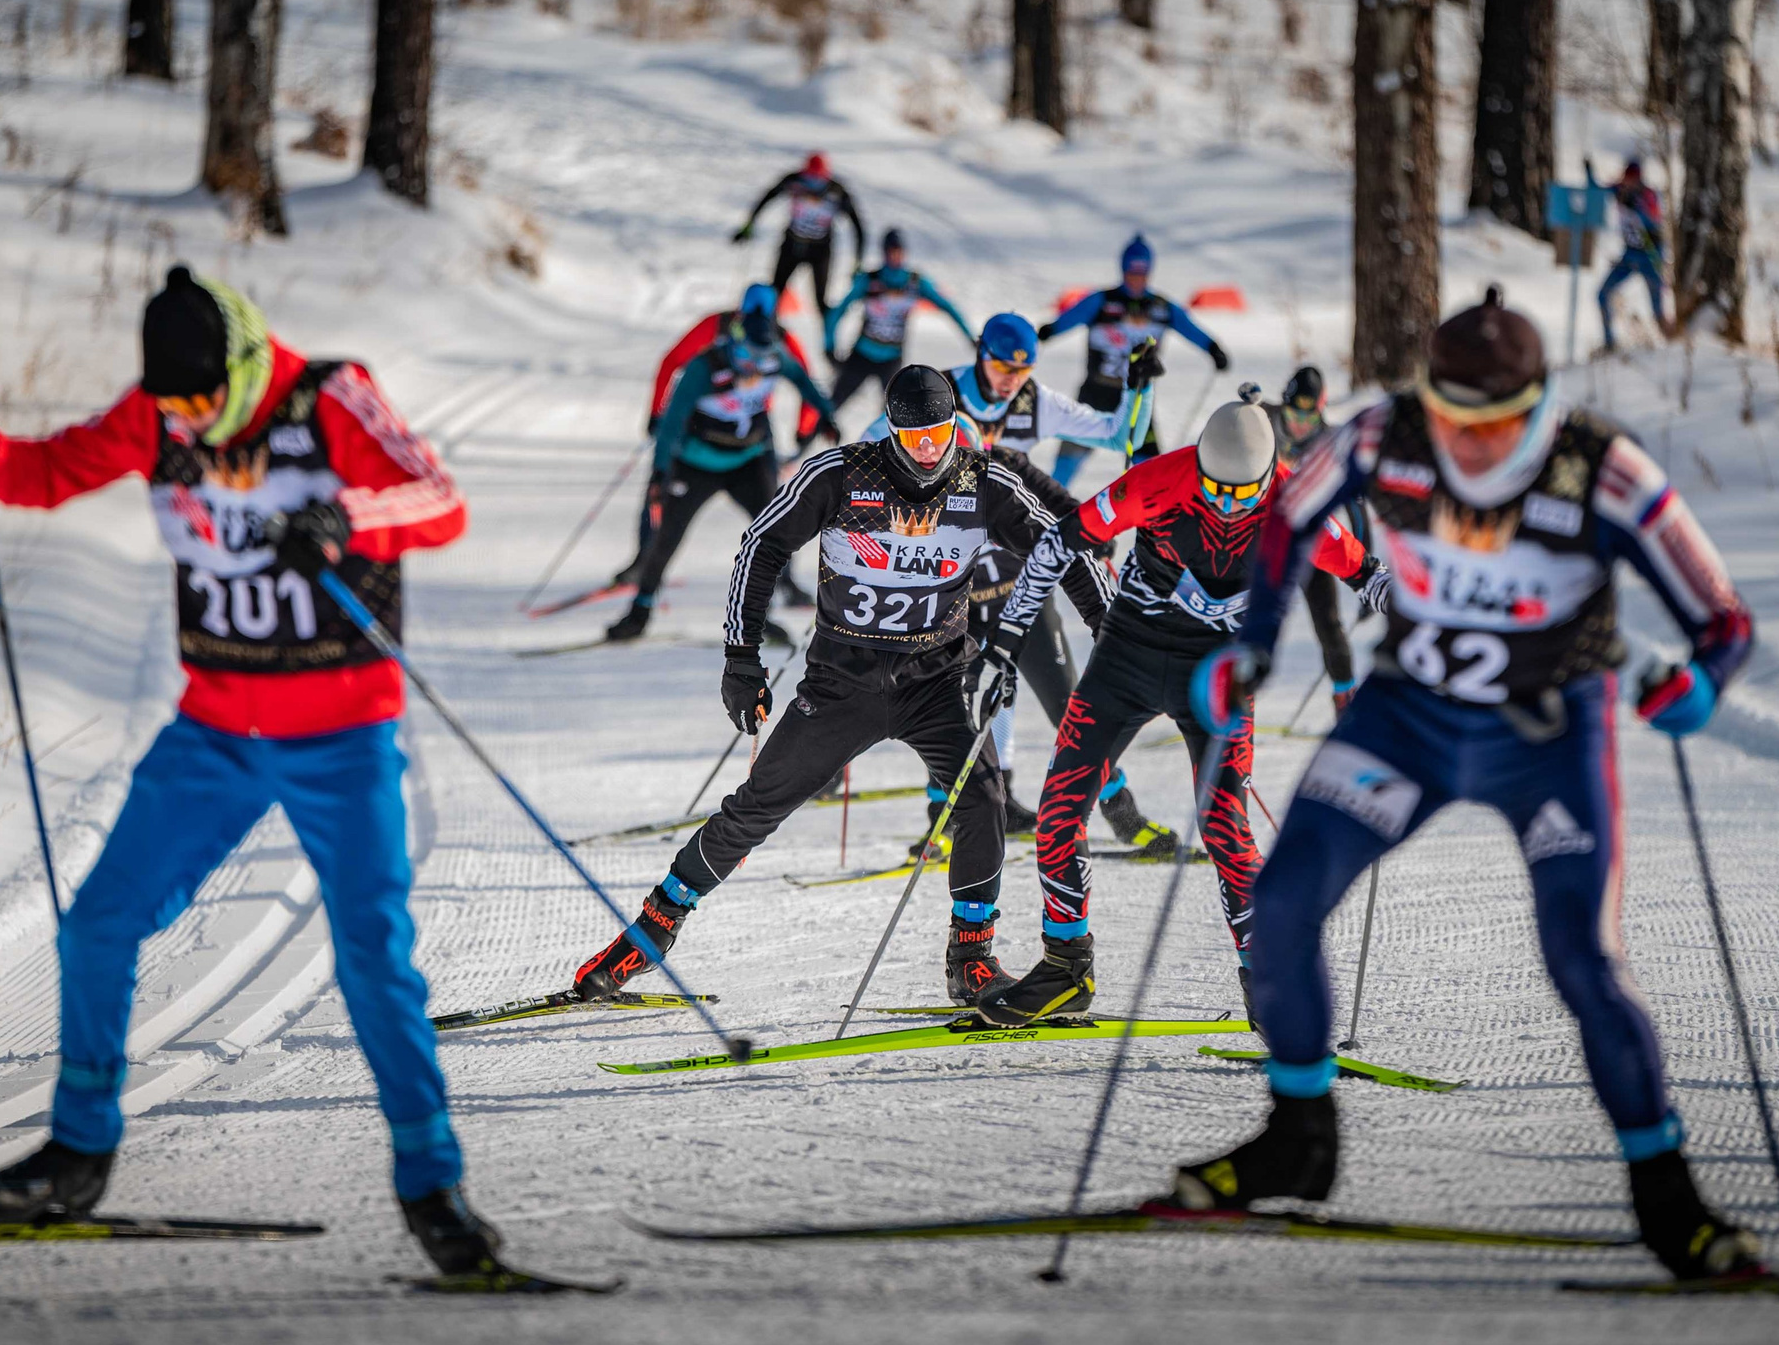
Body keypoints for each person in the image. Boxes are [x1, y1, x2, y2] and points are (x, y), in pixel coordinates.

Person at [1172, 285, 1764, 1285]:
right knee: (1280, 899)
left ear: (1537, 406)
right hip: (1409, 717)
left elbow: (1724, 617)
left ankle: (1669, 1196)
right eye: (1450, 418)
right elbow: (1286, 516)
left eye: (1495, 425)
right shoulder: (1379, 434)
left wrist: (1698, 685)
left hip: (1543, 734)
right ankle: (1298, 1135)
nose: (1469, 444)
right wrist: (1253, 643)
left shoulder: (1601, 468)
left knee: (1580, 954)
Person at [0, 266, 497, 1277]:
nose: (185, 418)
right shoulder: (160, 413)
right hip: (216, 729)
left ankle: (431, 1184)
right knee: (99, 918)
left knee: (372, 955)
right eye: (170, 402)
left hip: (340, 732)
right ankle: (79, 1148)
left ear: (241, 364)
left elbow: (438, 500)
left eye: (199, 397)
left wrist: (346, 519)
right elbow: (55, 469)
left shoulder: (330, 396)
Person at [573, 366, 1076, 1007]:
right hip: (843, 684)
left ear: (957, 425)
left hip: (937, 681)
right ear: (891, 429)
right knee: (756, 807)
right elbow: (760, 545)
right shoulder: (842, 474)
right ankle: (650, 932)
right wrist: (741, 660)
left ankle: (971, 958)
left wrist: (1112, 633)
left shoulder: (981, 483)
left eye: (940, 432)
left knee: (983, 799)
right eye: (913, 434)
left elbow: (1065, 544)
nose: (928, 447)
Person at [967, 403, 1374, 1027]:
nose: (1229, 506)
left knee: (1224, 826)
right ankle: (1066, 968)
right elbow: (1058, 543)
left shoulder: (1302, 504)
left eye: (1244, 495)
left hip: (1217, 672)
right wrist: (1004, 642)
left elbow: (1368, 575)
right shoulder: (1158, 480)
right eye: (1215, 490)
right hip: (1127, 654)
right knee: (1057, 811)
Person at [880, 313, 1162, 840]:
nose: (1012, 379)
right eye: (1003, 365)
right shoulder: (934, 398)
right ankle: (951, 820)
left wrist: (1136, 390)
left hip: (1018, 590)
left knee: (1069, 702)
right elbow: (876, 454)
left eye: (1024, 368)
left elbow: (1083, 470)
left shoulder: (1012, 449)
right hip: (954, 598)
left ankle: (1121, 814)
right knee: (955, 708)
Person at [607, 286, 839, 643]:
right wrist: (660, 470)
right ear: (735, 341)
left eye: (762, 361)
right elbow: (672, 423)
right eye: (747, 358)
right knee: (667, 536)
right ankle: (639, 611)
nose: (754, 370)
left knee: (776, 529)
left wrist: (825, 418)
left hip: (748, 461)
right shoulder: (706, 367)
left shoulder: (775, 355)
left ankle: (763, 614)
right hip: (697, 463)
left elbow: (805, 382)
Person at [1036, 236, 1230, 485]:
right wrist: (1050, 330)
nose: (1136, 278)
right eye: (1131, 272)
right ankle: (1047, 508)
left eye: (1142, 272)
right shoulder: (1102, 301)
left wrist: (1213, 349)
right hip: (1096, 392)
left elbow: (1189, 327)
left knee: (1151, 469)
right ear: (1123, 269)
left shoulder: (1161, 307)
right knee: (1069, 459)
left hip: (1138, 399)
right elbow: (1070, 317)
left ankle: (1158, 520)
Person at [1261, 365, 1376, 715]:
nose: (1299, 424)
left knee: (1328, 622)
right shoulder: (1264, 419)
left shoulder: (1330, 440)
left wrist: (1366, 571)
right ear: (1284, 406)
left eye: (1310, 418)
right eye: (1295, 414)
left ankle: (1345, 700)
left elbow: (1357, 509)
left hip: (1309, 544)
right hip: (1256, 537)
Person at [823, 229, 976, 416]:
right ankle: (802, 442)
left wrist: (969, 336)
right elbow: (838, 310)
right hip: (862, 355)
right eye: (890, 251)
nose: (895, 256)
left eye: (898, 251)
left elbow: (948, 307)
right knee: (830, 408)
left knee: (894, 415)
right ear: (884, 252)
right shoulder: (871, 280)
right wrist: (829, 344)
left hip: (891, 359)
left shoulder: (914, 282)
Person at [733, 152, 864, 318]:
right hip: (792, 245)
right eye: (809, 178)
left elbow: (858, 226)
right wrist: (748, 227)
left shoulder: (836, 192)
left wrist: (858, 260)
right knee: (775, 293)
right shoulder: (794, 182)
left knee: (820, 301)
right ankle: (767, 332)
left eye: (817, 180)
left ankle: (827, 340)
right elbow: (767, 198)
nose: (812, 185)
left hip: (820, 250)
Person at [1597, 156, 1670, 352]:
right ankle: (1610, 343)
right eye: (1626, 178)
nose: (1628, 182)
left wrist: (1637, 208)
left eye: (1632, 179)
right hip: (1629, 256)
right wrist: (1588, 172)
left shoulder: (1647, 194)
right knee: (1602, 294)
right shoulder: (1619, 191)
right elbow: (1597, 190)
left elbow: (1654, 218)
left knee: (1657, 309)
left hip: (1650, 256)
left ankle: (1673, 347)